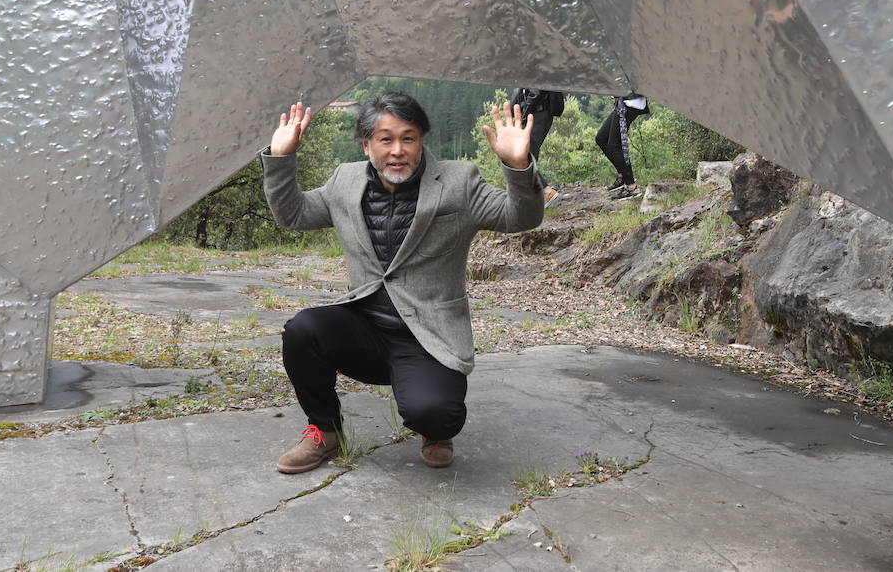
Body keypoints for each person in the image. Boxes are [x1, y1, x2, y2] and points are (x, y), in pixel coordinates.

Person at [261, 91, 543, 474]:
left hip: (428, 338)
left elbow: (520, 217)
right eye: (386, 139)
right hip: (364, 329)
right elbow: (293, 214)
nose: (398, 150)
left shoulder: (459, 181)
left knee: (436, 414)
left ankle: (435, 430)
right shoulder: (345, 181)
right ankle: (324, 431)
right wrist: (281, 160)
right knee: (302, 330)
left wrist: (518, 166)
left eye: (408, 138)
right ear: (367, 145)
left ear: (421, 141)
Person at [510, 87, 565, 202]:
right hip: (536, 113)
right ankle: (536, 195)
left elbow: (536, 92)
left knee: (525, 156)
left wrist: (523, 114)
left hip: (537, 114)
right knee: (525, 155)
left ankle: (546, 193)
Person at [596, 93, 649, 199]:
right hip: (622, 103)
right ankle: (623, 176)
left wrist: (620, 94)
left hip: (630, 104)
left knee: (614, 146)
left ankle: (631, 187)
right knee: (601, 139)